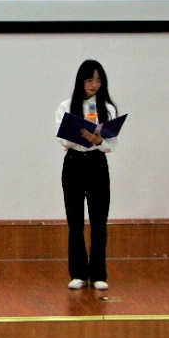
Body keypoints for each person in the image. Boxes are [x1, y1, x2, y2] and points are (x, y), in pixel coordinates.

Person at [56, 60, 119, 291]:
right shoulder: (66, 106)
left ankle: (99, 273)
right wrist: (79, 134)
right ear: (81, 81)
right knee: (75, 222)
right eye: (90, 80)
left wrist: (98, 140)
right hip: (74, 163)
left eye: (99, 80)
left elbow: (111, 144)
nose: (94, 85)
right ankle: (78, 273)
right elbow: (62, 140)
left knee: (99, 221)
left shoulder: (108, 108)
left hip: (96, 163)